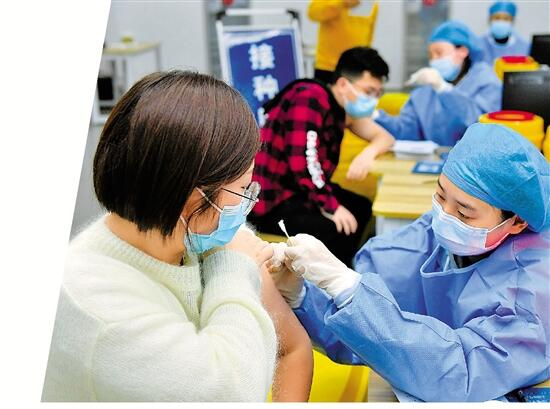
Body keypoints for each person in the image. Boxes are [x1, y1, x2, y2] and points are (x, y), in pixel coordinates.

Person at [41, 71, 313, 402]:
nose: (248, 202)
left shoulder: (203, 231)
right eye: (244, 189)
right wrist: (235, 267)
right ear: (195, 197)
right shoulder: (96, 306)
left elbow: (292, 349)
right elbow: (232, 392)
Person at [270, 123, 550, 401]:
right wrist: (304, 297)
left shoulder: (529, 294)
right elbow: (374, 338)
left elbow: (460, 374)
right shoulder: (428, 238)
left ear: (517, 221)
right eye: (440, 195)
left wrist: (350, 291)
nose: (444, 216)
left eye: (464, 213)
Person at [249, 47, 395, 266]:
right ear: (344, 84)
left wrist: (367, 154)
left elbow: (385, 138)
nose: (373, 100)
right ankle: (330, 281)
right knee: (339, 228)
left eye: (378, 94)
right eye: (369, 91)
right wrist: (331, 207)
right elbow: (303, 163)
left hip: (299, 193)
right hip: (273, 203)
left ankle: (346, 270)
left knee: (361, 207)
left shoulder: (341, 108)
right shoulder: (309, 97)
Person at [375, 20, 502, 146]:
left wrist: (443, 89)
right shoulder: (427, 90)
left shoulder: (486, 81)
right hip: (434, 157)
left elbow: (482, 125)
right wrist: (375, 115)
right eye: (430, 55)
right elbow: (405, 131)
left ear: (462, 51)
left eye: (439, 53)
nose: (433, 60)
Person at [308, 0, 379, 84]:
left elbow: (369, 31)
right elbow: (313, 13)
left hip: (357, 68)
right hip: (328, 66)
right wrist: (341, 2)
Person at [480, 1, 531, 66]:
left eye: (506, 19)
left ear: (512, 21)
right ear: (490, 20)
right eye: (497, 18)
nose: (501, 22)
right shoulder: (479, 45)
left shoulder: (525, 47)